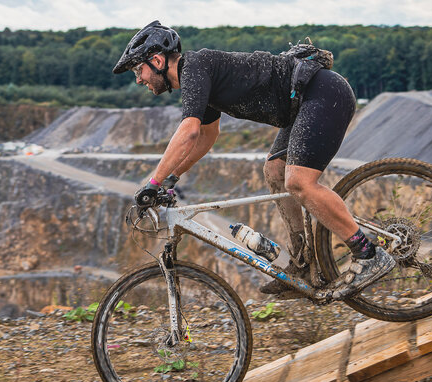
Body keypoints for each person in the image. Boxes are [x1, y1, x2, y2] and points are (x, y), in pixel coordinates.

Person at [113, 21, 395, 298]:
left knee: (299, 182)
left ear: (158, 60)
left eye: (139, 70)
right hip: (304, 103)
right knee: (274, 171)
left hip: (322, 93)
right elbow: (207, 137)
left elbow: (189, 132)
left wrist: (153, 181)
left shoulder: (195, 67)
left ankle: (368, 253)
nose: (138, 79)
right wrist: (172, 178)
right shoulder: (197, 78)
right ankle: (301, 265)